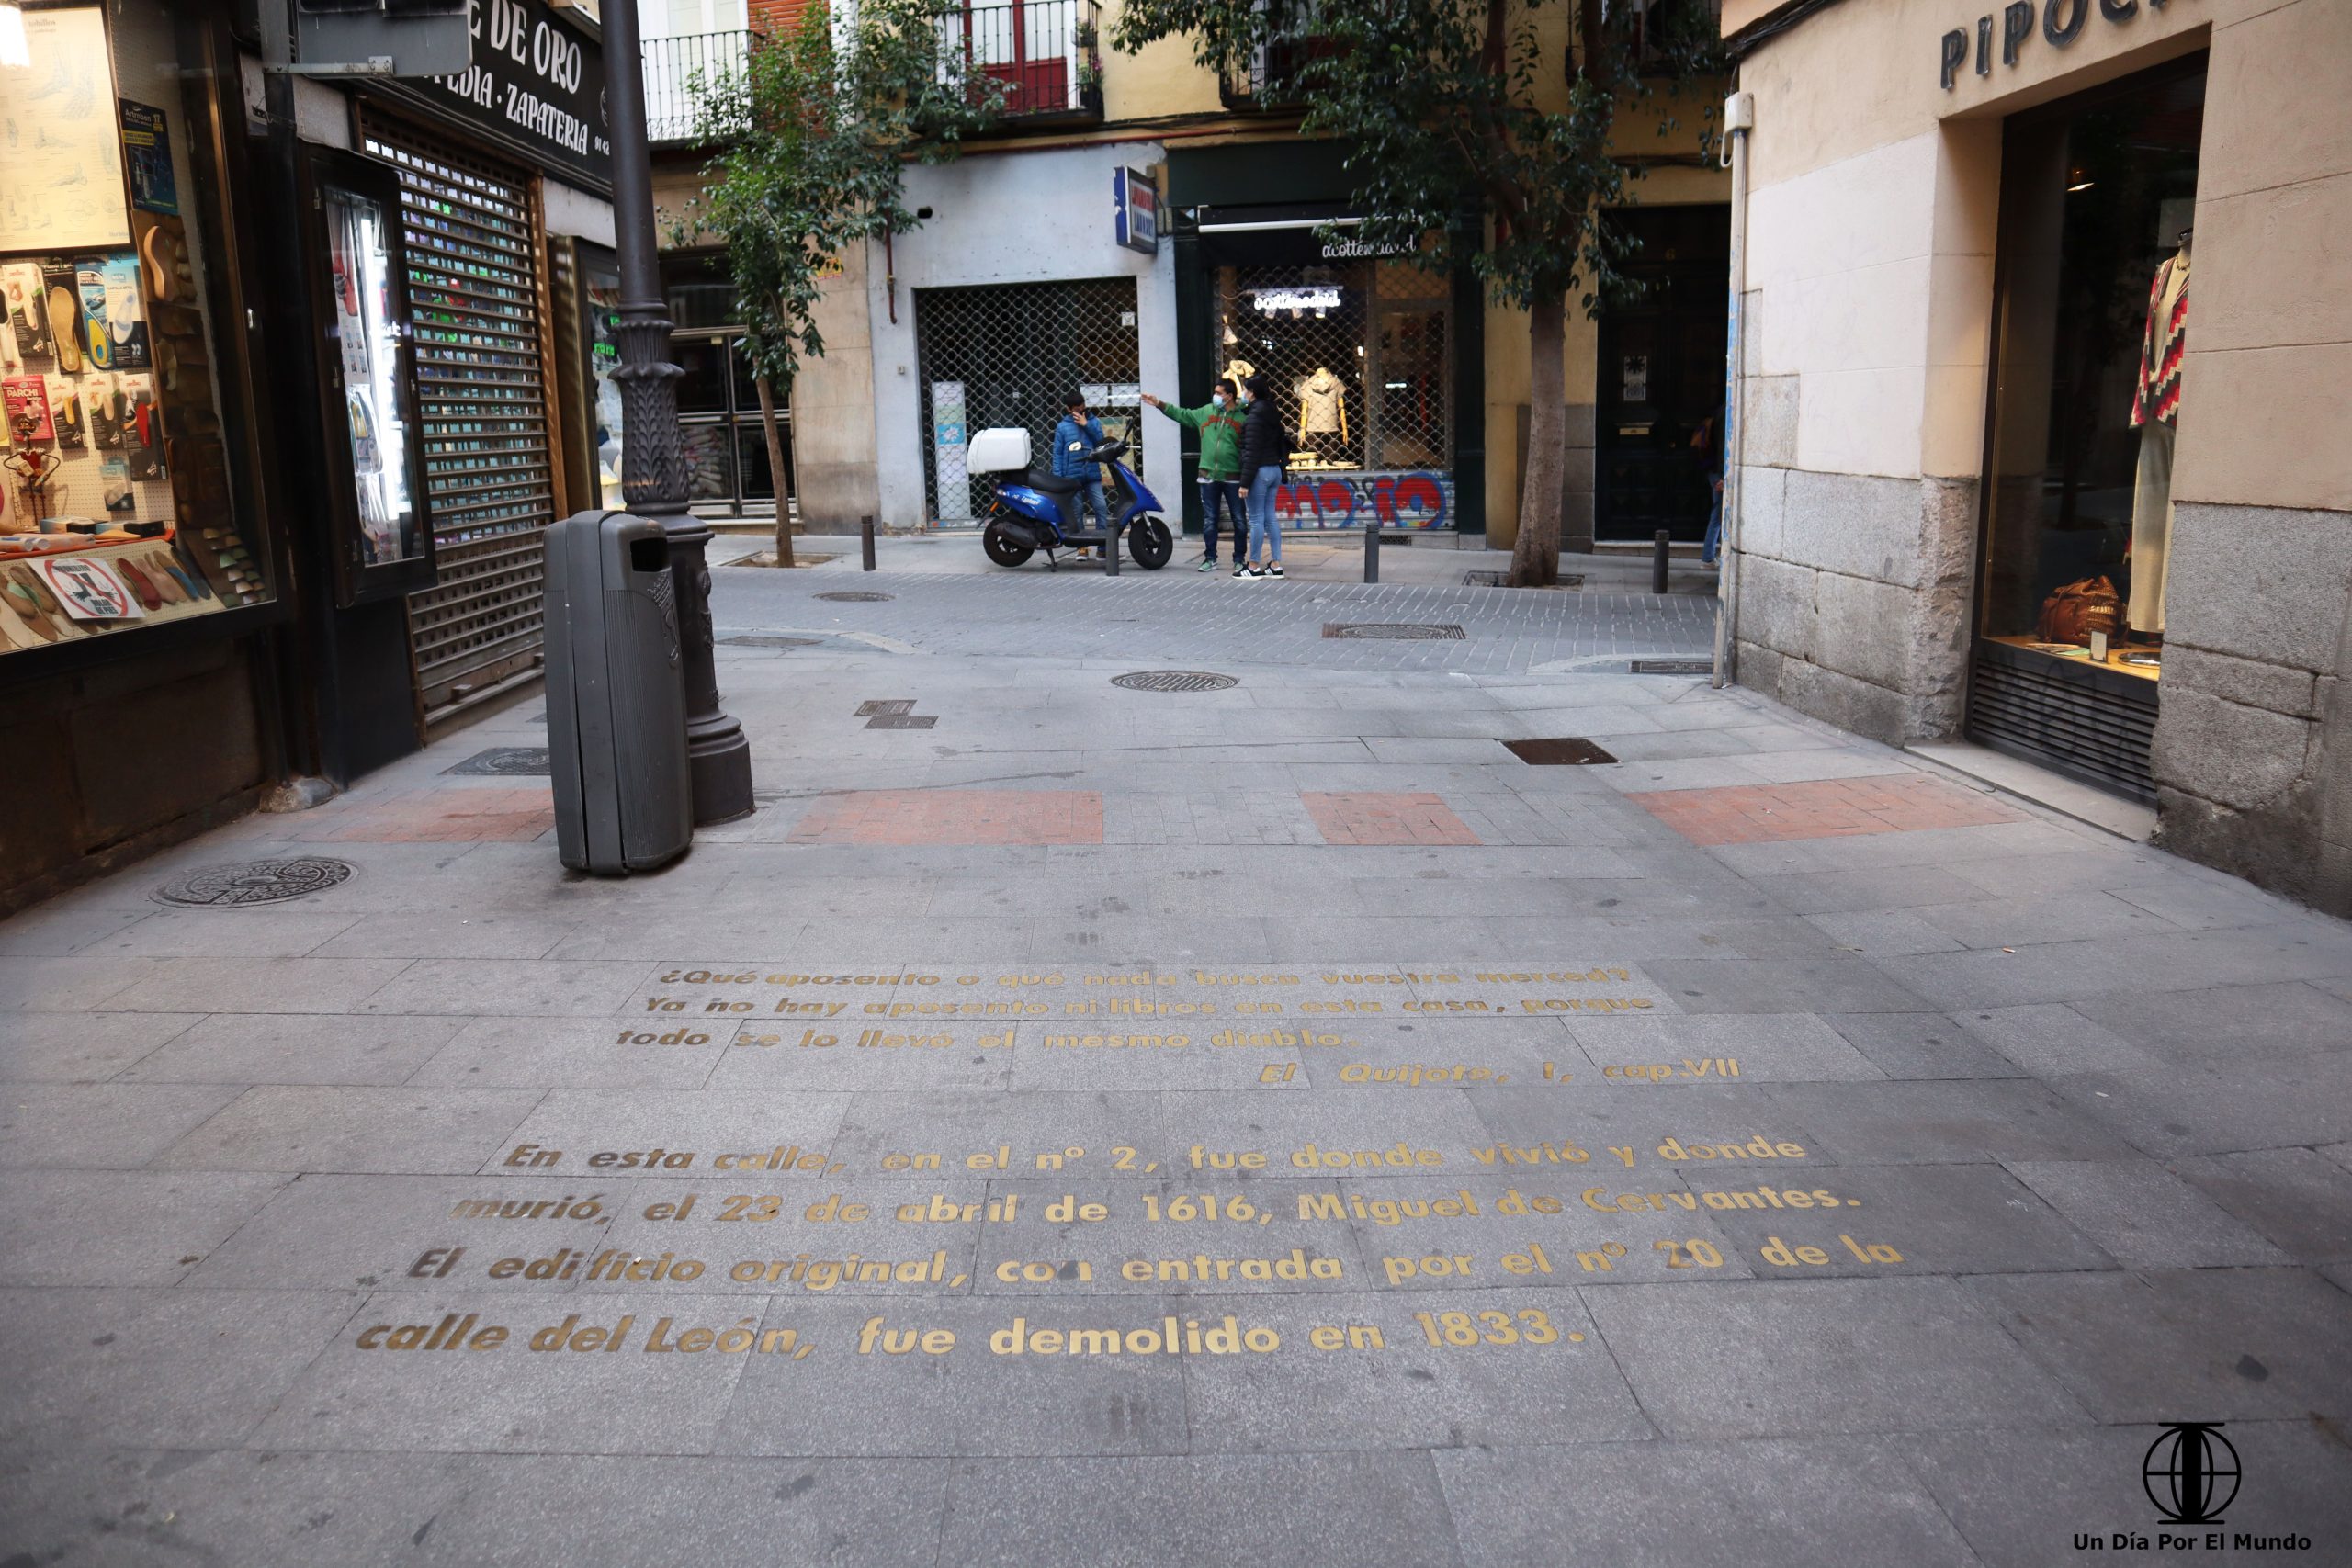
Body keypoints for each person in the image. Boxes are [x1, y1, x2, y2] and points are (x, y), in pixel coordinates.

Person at [1142, 379, 1247, 572]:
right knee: (1209, 519)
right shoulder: (1206, 412)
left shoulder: (1242, 419)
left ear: (1229, 396)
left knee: (1239, 520)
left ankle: (1239, 559)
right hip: (1208, 476)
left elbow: (1248, 448)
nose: (1215, 396)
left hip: (1233, 477)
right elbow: (1182, 414)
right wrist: (1159, 404)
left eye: (1219, 392)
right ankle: (1210, 558)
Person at [1234, 374, 1286, 579]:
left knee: (1256, 519)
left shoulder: (1255, 417)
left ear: (1252, 393)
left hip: (1259, 471)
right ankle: (1276, 564)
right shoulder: (1272, 413)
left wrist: (1244, 482)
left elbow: (1252, 451)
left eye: (1246, 390)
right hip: (1273, 469)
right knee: (1270, 518)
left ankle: (1253, 565)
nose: (1244, 394)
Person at [1053, 391, 1111, 553]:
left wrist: (1087, 424)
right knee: (1077, 511)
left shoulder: (1093, 421)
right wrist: (1059, 479)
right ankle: (1081, 547)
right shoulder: (1062, 427)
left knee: (1101, 507)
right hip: (1071, 476)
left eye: (1083, 408)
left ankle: (1103, 547)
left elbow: (1101, 442)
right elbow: (1057, 454)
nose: (1082, 411)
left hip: (1091, 473)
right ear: (1068, 409)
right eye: (1077, 410)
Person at [1694, 414, 1725, 568]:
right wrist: (1723, 476)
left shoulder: (1716, 414)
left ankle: (1709, 557)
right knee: (1718, 514)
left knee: (1718, 513)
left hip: (1713, 471)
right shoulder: (1725, 414)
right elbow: (1723, 447)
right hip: (1718, 473)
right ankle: (1708, 558)